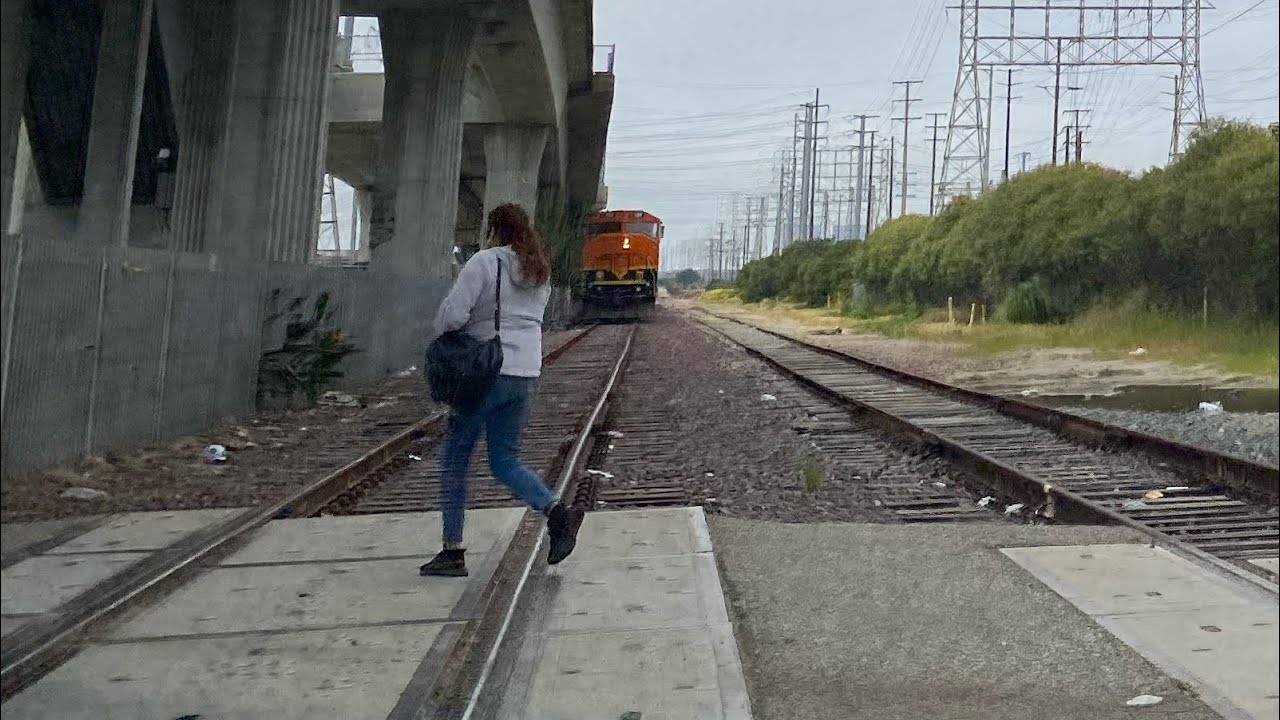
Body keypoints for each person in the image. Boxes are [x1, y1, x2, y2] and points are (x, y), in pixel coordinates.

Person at [420, 203, 585, 577]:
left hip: (485, 373)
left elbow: (453, 317)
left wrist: (443, 325)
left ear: (494, 230)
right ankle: (557, 513)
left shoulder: (485, 262)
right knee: (504, 460)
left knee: (454, 461)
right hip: (526, 372)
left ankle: (452, 551)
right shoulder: (539, 271)